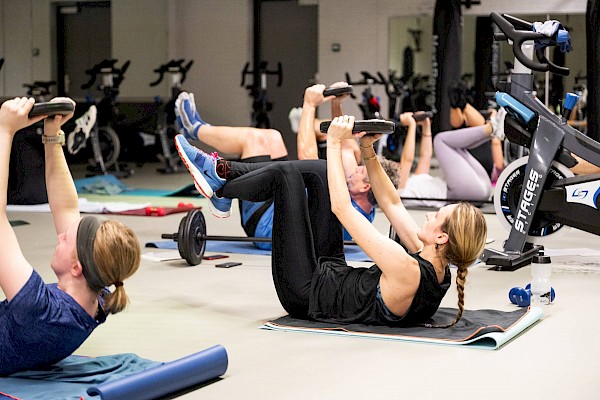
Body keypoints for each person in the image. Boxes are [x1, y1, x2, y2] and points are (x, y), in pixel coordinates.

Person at [173, 113, 487, 327]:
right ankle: (222, 180)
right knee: (319, 172)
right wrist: (367, 148)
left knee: (287, 177)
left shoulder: (407, 270)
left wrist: (335, 143)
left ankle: (221, 179)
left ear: (443, 237)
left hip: (306, 292)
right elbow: (391, 201)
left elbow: (343, 209)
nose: (430, 215)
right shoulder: (438, 266)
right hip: (333, 273)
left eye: (438, 216)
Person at [0, 97, 141, 376]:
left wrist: (5, 130)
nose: (60, 237)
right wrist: (53, 135)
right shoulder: (96, 298)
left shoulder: (40, 310)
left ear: (77, 267)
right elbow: (66, 206)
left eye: (66, 239)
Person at [174, 87, 399, 246]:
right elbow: (346, 146)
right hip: (282, 203)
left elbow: (308, 161)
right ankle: (218, 176)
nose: (358, 168)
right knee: (273, 137)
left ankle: (195, 129)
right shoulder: (362, 203)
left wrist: (309, 104)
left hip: (267, 226)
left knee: (256, 140)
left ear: (366, 187)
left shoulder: (345, 208)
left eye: (362, 171)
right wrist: (336, 104)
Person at [396, 109, 506, 208]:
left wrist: (426, 125)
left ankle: (494, 131)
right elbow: (407, 160)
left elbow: (425, 156)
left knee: (456, 147)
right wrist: (411, 125)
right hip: (465, 192)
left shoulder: (414, 181)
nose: (396, 165)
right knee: (440, 140)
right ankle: (492, 127)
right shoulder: (399, 190)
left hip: (481, 188)